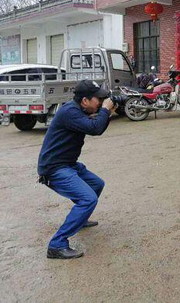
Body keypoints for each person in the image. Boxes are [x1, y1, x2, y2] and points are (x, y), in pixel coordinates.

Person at [37, 80, 115, 259]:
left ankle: (80, 219)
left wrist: (108, 113)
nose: (101, 102)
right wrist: (105, 110)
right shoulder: (69, 112)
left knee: (97, 184)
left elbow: (98, 128)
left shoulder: (78, 111)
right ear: (85, 101)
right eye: (98, 99)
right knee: (88, 199)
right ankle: (56, 245)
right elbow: (95, 128)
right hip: (54, 168)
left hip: (68, 164)